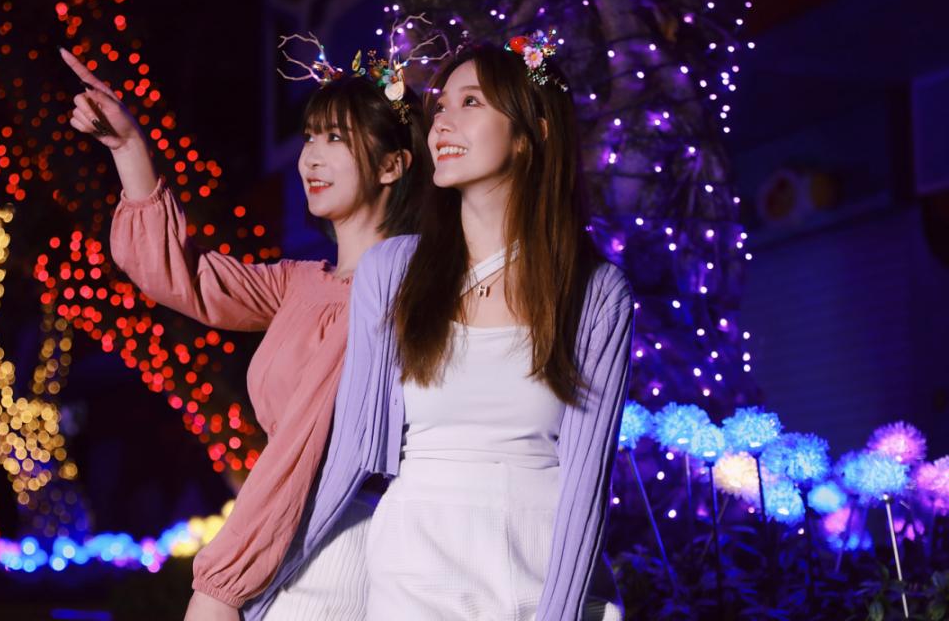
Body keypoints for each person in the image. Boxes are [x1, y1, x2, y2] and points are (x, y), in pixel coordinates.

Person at [265, 37, 633, 620]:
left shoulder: (594, 292)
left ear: (532, 133)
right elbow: (350, 457)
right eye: (440, 106)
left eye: (471, 102)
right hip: (413, 580)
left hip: (539, 582)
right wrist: (256, 581)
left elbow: (587, 485)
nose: (442, 121)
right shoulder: (392, 270)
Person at [59, 44, 427, 620]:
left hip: (345, 541)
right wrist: (129, 147)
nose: (311, 157)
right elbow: (177, 273)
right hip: (286, 542)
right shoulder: (298, 283)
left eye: (335, 138)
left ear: (392, 165)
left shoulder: (412, 282)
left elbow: (311, 443)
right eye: (309, 137)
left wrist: (222, 581)